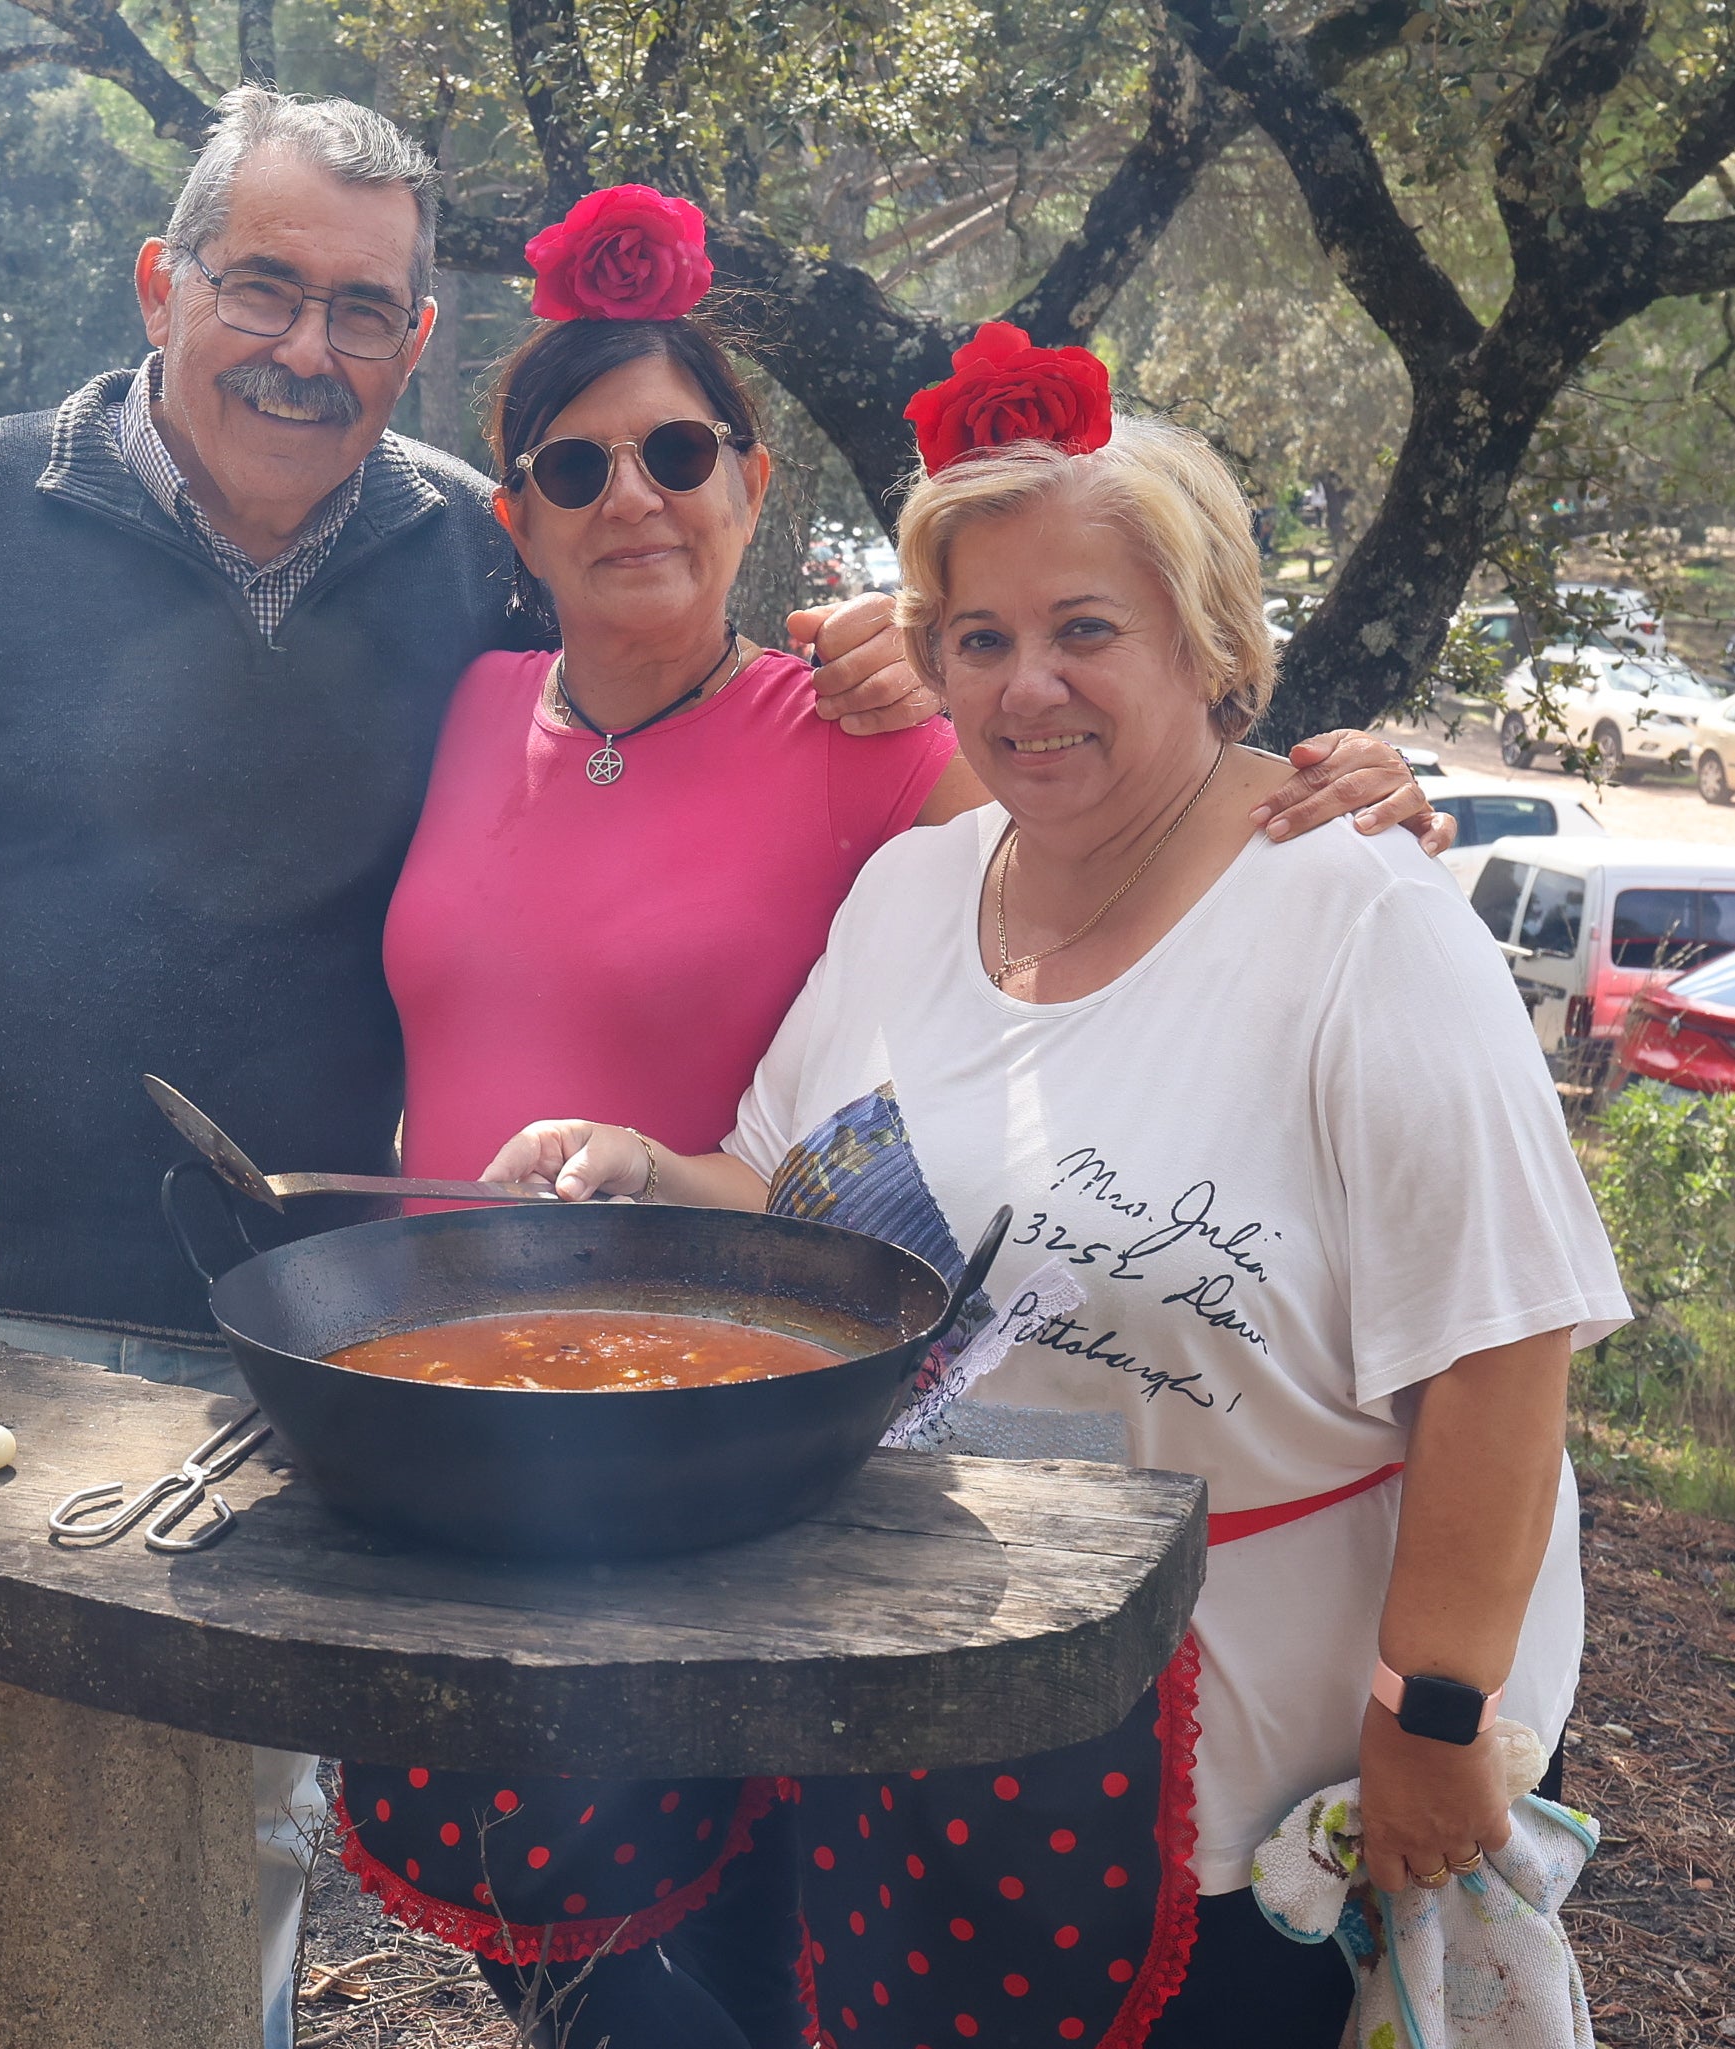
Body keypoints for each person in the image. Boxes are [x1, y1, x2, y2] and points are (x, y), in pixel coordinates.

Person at [0, 89, 935, 2049]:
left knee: (218, 1846)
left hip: (280, 1334)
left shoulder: (468, 544)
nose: (307, 346)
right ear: (160, 282)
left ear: (415, 339)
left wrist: (897, 660)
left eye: (361, 307)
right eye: (262, 285)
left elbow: (659, 666)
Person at [343, 198, 1444, 2049]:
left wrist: (1326, 795)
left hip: (772, 1462)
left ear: (748, 485)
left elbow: (1103, 815)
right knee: (568, 1947)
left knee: (747, 1945)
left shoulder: (867, 733)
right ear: (510, 510)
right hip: (490, 1410)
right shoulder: (454, 708)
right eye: (575, 461)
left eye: (679, 450)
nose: (635, 493)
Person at [489, 344, 1626, 2046]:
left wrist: (1434, 1713)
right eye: (982, 638)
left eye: (1083, 627)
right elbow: (798, 1197)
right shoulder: (912, 889)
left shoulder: (1353, 921)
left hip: (1245, 1809)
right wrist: (647, 1168)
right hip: (923, 1740)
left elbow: (1501, 1344)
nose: (1029, 688)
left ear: (1205, 640)